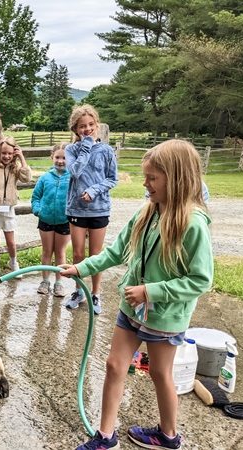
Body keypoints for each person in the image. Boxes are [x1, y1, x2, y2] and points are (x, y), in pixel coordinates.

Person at [61, 139, 213, 450]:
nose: (145, 183)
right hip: (132, 308)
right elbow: (116, 251)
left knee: (159, 373)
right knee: (115, 365)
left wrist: (151, 291)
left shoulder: (193, 224)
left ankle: (168, 436)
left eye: (152, 178)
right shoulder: (147, 212)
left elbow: (200, 280)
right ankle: (105, 435)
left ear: (177, 178)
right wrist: (82, 269)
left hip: (165, 316)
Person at [64, 104, 118, 314]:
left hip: (99, 209)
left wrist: (94, 190)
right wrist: (85, 146)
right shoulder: (71, 150)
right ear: (75, 129)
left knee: (96, 255)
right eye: (82, 126)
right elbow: (75, 171)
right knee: (78, 254)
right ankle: (79, 291)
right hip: (76, 210)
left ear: (96, 125)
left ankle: (95, 294)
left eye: (90, 125)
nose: (87, 129)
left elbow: (112, 179)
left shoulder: (106, 150)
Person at [0, 137, 32, 281]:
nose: (7, 156)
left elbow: (27, 178)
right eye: (4, 153)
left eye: (10, 154)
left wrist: (21, 158)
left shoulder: (15, 168)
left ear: (14, 154)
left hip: (8, 209)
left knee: (11, 241)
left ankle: (13, 263)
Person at [31, 142, 71, 296]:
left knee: (60, 252)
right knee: (47, 251)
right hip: (45, 220)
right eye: (57, 157)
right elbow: (35, 196)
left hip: (64, 221)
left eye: (64, 158)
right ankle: (45, 281)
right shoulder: (45, 177)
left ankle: (59, 283)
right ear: (52, 157)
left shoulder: (72, 178)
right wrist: (38, 210)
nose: (60, 161)